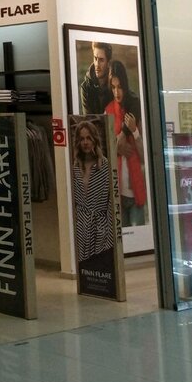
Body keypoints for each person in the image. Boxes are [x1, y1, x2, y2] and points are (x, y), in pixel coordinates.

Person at [105, 60, 146, 226]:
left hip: (135, 193)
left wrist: (134, 131)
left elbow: (144, 157)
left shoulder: (135, 109)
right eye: (113, 87)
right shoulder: (108, 111)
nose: (116, 92)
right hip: (117, 194)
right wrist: (118, 148)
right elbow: (104, 154)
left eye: (120, 87)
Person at [71, 120, 115, 263]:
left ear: (95, 140)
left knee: (99, 265)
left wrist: (109, 234)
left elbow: (111, 202)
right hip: (80, 228)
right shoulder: (75, 167)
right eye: (82, 139)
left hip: (100, 228)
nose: (85, 142)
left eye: (88, 138)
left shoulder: (104, 165)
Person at [80, 42, 113, 115]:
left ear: (108, 63)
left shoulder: (115, 84)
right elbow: (88, 119)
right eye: (95, 58)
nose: (97, 64)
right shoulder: (86, 87)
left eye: (101, 60)